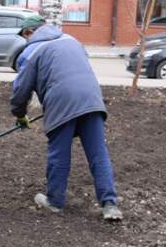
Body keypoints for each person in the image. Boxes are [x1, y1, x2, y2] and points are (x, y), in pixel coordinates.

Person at [10, 15, 122, 221]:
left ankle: (54, 201)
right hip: (92, 98)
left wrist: (19, 114)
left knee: (59, 153)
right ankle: (109, 205)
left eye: (25, 36)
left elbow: (21, 90)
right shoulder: (72, 40)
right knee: (98, 153)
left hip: (61, 101)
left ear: (29, 33)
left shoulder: (31, 51)